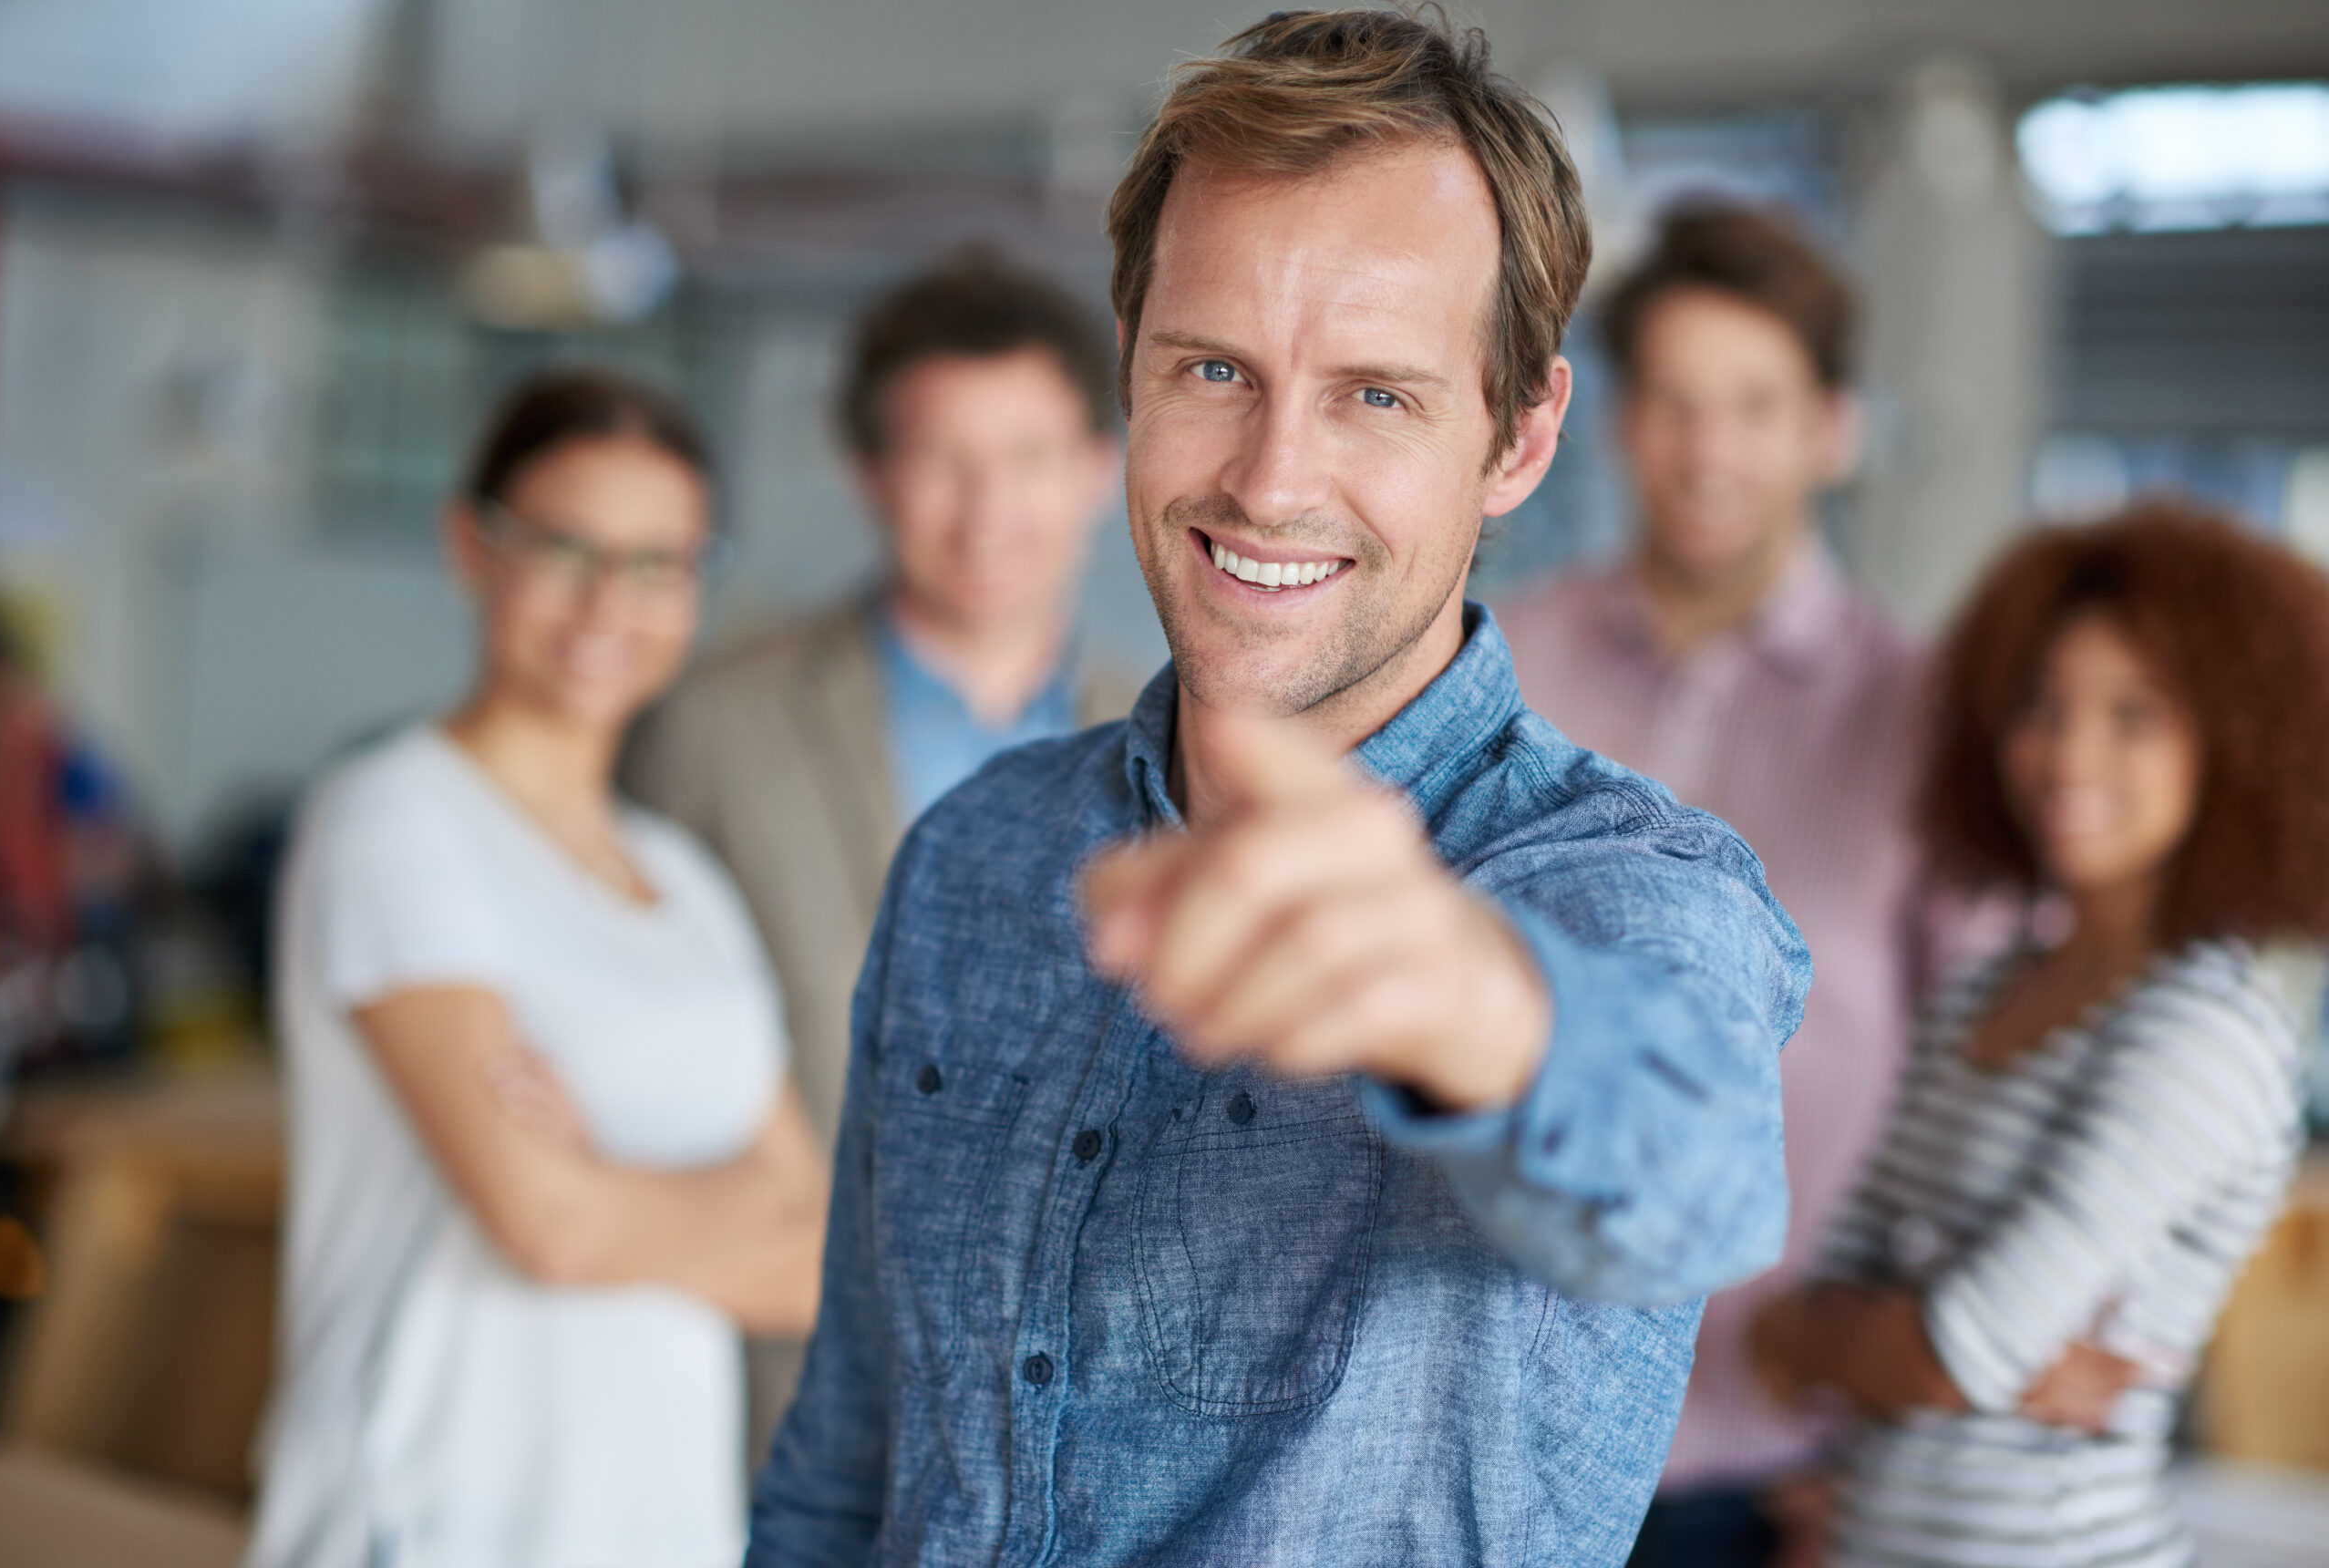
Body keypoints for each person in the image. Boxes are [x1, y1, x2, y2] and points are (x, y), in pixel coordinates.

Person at [748, 14, 1810, 1565]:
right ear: (1132, 368)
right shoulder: (977, 854)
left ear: (1518, 439)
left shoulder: (1626, 883)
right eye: (1212, 368)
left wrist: (1473, 1007)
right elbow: (847, 1460)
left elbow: (1699, 1177)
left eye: (1377, 395)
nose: (1266, 480)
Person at [250, 370, 827, 1568]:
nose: (611, 601)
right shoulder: (393, 819)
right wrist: (691, 1201)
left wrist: (598, 1180)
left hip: (662, 1527)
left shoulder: (686, 884)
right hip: (430, 1519)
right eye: (567, 549)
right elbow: (549, 1226)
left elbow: (826, 1259)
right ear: (472, 546)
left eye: (659, 563)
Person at [1752, 499, 2329, 1567]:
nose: (2067, 753)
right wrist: (1890, 1349)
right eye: (2040, 703)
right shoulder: (1983, 991)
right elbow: (1792, 1335)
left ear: (2234, 743)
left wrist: (1910, 1351)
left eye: (2132, 715)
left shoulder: (2205, 1032)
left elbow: (1946, 1353)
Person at [1492, 205, 1922, 1563]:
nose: (1707, 450)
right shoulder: (1500, 664)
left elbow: (1980, 1077)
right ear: (1620, 422)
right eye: (1674, 402)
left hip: (1771, 1464)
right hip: (1492, 1423)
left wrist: (1887, 1440)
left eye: (1753, 405)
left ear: (1831, 429)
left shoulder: (1922, 719)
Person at [626, 252, 1140, 1144]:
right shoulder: (712, 725)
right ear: (869, 473)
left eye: (1028, 457)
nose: (986, 513)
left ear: (1099, 469)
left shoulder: (1182, 751)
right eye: (941, 459)